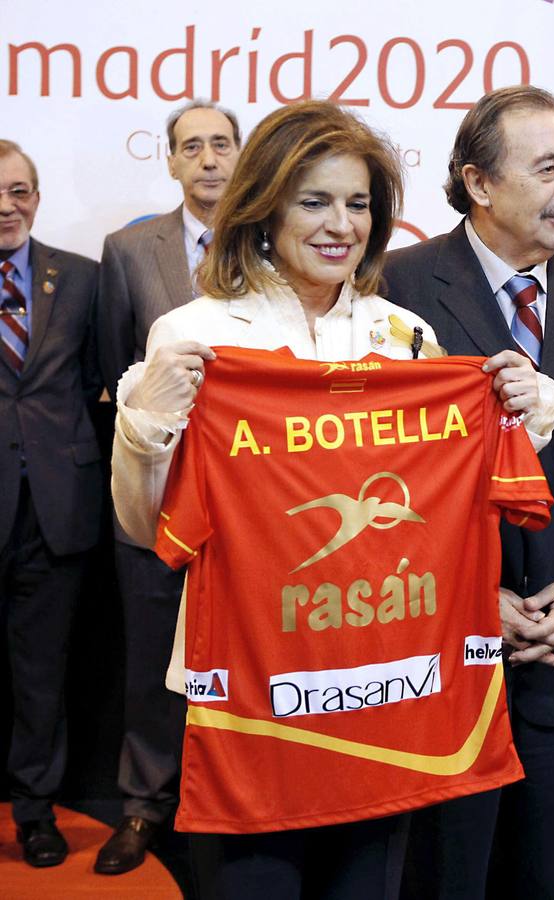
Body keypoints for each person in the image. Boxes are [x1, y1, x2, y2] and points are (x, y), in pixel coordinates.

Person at [110, 100, 553, 899]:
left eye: (358, 204)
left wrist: (524, 410)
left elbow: (453, 495)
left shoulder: (409, 338)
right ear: (264, 208)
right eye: (314, 201)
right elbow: (148, 528)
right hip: (250, 693)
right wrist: (147, 422)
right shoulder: (194, 334)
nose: (339, 225)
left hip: (382, 685)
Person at [381, 84, 554, 900]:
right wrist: (473, 596)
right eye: (547, 168)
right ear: (479, 182)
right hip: (444, 656)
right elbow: (387, 480)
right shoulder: (395, 286)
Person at [94, 98, 241, 876]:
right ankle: (145, 807)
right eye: (194, 147)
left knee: (239, 663)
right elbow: (116, 372)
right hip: (157, 496)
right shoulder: (128, 250)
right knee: (152, 662)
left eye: (222, 145)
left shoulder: (274, 241)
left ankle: (227, 802)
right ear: (173, 161)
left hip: (247, 505)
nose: (210, 159)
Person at [0, 139, 101, 869]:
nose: (7, 207)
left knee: (41, 675)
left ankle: (35, 812)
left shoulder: (85, 278)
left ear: (36, 196)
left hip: (54, 511)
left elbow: (105, 384)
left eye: (19, 191)